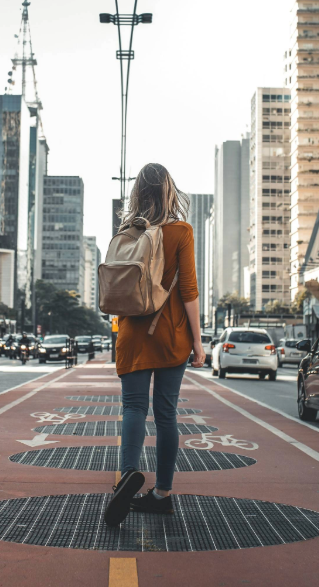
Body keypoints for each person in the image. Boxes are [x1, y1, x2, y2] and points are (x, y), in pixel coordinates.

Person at [103, 163, 204, 527]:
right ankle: (161, 494)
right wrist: (198, 342)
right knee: (166, 414)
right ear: (169, 191)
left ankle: (128, 474)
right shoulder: (182, 231)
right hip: (171, 336)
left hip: (132, 335)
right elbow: (189, 291)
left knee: (133, 408)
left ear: (137, 194)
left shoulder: (127, 232)